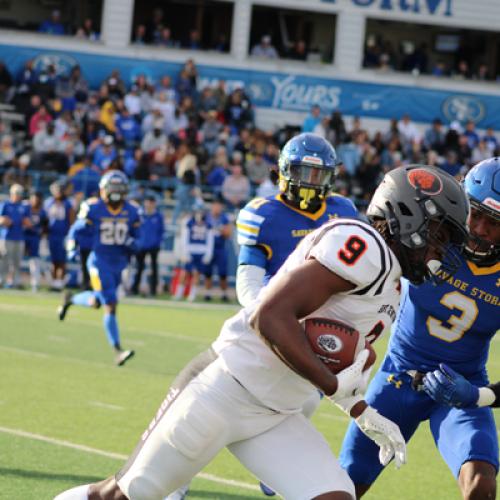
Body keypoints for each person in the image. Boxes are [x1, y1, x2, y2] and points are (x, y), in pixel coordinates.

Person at [55, 164, 469, 500]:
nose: (441, 250)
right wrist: (334, 386)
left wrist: (359, 408)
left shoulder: (393, 283)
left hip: (277, 414)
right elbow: (270, 316)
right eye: (440, 235)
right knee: (123, 496)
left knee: (333, 496)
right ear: (409, 215)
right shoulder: (364, 246)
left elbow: (331, 352)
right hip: (224, 391)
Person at [170, 132, 360, 499]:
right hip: (268, 328)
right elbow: (248, 284)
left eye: (318, 176)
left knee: (301, 401)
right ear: (284, 173)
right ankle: (173, 485)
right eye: (303, 173)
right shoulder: (263, 213)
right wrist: (274, 320)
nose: (310, 184)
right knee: (205, 414)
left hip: (315, 332)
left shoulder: (344, 212)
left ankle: (275, 467)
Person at [339, 158, 499, 499]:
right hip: (398, 376)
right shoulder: (427, 238)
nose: (481, 229)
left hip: (463, 386)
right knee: (345, 485)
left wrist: (478, 396)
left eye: (495, 222)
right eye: (476, 214)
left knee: (481, 485)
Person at [58, 170, 140, 366]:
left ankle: (71, 298)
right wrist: (71, 246)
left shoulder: (132, 210)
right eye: (112, 188)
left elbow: (139, 237)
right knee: (110, 303)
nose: (115, 192)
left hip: (119, 263)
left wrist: (132, 243)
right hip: (98, 262)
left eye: (119, 188)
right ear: (103, 190)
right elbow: (75, 230)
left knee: (96, 301)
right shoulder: (94, 208)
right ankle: (117, 350)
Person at [174, 201, 214, 302]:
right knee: (185, 273)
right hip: (190, 250)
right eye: (197, 211)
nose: (199, 214)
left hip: (201, 251)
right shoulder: (189, 223)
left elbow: (210, 240)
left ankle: (192, 294)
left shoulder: (208, 224)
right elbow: (185, 237)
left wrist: (208, 253)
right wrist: (185, 251)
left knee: (197, 274)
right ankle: (179, 293)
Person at [131, 195, 164, 296]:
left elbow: (161, 231)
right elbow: (135, 229)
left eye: (151, 202)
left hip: (154, 246)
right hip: (141, 246)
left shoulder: (158, 216)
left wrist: (157, 243)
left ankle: (153, 290)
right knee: (139, 268)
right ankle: (134, 289)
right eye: (147, 202)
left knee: (154, 269)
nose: (149, 204)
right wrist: (138, 242)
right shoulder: (139, 215)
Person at [44, 181, 74, 290]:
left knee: (62, 260)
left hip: (63, 234)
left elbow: (71, 219)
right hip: (52, 234)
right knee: (53, 260)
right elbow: (45, 219)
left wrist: (70, 234)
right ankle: (53, 282)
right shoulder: (49, 203)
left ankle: (60, 282)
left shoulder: (67, 203)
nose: (58, 192)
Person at [0, 184, 31, 288]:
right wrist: (4, 221)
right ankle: (2, 280)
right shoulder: (5, 205)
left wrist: (27, 223)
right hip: (6, 236)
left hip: (19, 236)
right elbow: (1, 219)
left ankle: (15, 281)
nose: (18, 195)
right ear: (11, 193)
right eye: (16, 193)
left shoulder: (24, 206)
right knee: (4, 260)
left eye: (19, 193)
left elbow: (28, 221)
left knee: (17, 261)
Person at [203, 198, 232, 302]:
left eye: (218, 206)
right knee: (207, 272)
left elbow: (228, 234)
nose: (217, 208)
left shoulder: (224, 218)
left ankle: (224, 294)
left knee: (223, 273)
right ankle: (207, 293)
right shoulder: (206, 217)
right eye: (215, 205)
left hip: (220, 248)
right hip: (208, 248)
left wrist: (220, 230)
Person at [24, 191, 47, 292]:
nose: (35, 201)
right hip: (22, 236)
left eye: (37, 199)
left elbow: (45, 226)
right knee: (13, 259)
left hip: (35, 238)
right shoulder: (25, 208)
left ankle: (35, 284)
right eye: (34, 198)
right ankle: (11, 281)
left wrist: (41, 232)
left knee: (35, 261)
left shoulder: (42, 212)